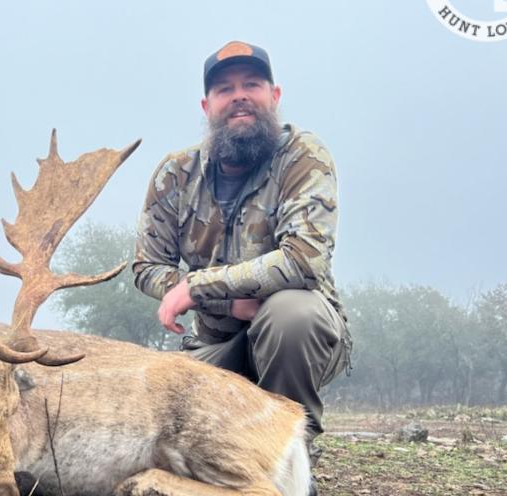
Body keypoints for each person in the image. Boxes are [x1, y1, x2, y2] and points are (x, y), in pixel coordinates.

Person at [133, 41, 351, 471]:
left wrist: (196, 286)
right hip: (216, 347)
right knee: (144, 396)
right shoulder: (175, 173)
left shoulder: (304, 156)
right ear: (207, 104)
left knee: (291, 313)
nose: (239, 96)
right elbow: (146, 267)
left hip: (296, 338)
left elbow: (303, 260)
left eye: (252, 84)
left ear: (275, 95)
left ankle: (291, 463)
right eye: (225, 89)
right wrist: (225, 301)